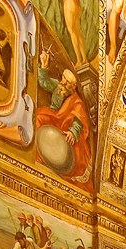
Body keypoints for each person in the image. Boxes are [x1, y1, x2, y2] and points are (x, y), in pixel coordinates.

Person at [35, 53, 92, 183]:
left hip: (65, 125)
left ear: (72, 87)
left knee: (73, 149)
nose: (64, 82)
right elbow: (44, 82)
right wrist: (44, 66)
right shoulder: (58, 86)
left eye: (67, 82)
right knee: (38, 116)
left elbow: (79, 119)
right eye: (64, 79)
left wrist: (73, 132)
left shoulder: (77, 102)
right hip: (54, 117)